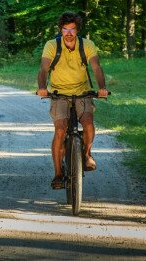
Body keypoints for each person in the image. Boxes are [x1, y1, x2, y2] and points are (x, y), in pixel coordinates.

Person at [36, 12, 108, 190]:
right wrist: (42, 87)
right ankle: (58, 174)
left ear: (77, 30)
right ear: (61, 30)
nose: (68, 33)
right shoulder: (52, 45)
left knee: (89, 124)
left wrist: (102, 87)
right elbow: (44, 68)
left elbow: (96, 67)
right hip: (58, 93)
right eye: (65, 29)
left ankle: (86, 154)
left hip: (82, 92)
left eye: (72, 29)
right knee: (60, 129)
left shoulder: (87, 45)